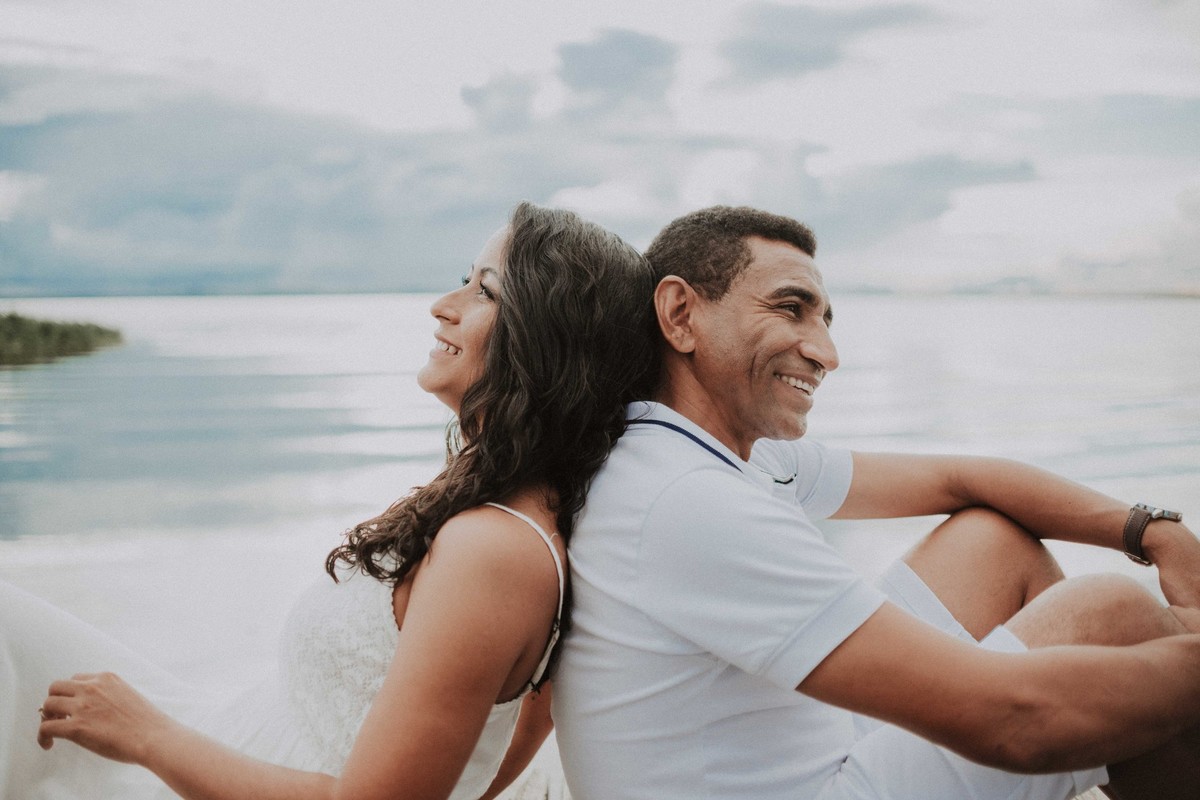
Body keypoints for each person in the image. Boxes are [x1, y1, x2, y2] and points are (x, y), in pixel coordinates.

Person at [1, 201, 658, 800]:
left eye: (484, 290)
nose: (442, 305)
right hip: (232, 740)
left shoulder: (495, 549)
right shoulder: (495, 493)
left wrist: (147, 737)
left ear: (548, 340)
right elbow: (539, 708)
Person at [553, 205, 1200, 800]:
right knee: (1109, 613)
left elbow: (960, 479)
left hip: (795, 743)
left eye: (825, 319)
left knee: (990, 542)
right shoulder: (687, 500)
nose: (827, 353)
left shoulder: (710, 449)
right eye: (790, 308)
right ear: (679, 315)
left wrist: (1151, 532)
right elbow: (1014, 721)